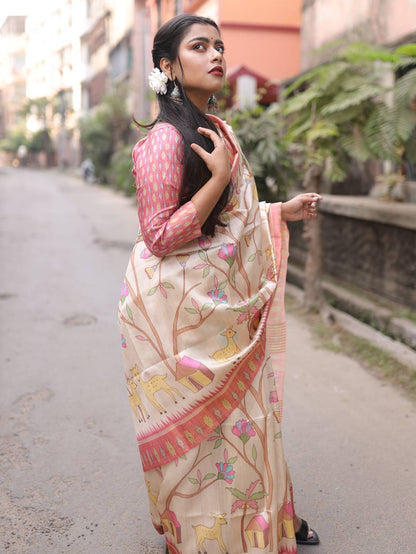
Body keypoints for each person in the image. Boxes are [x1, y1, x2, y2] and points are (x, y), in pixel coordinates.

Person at [118, 14, 321, 554]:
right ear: (168, 65)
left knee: (250, 421)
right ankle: (208, 538)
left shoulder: (218, 129)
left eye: (219, 46)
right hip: (183, 317)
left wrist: (281, 211)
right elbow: (159, 236)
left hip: (226, 308)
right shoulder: (163, 141)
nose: (216, 56)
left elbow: (234, 217)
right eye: (200, 46)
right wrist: (220, 178)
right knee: (203, 436)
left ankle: (271, 518)